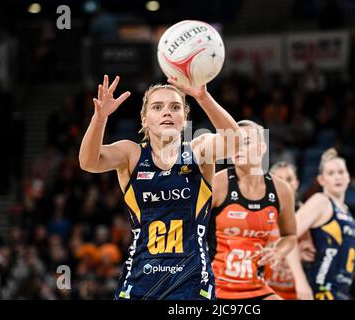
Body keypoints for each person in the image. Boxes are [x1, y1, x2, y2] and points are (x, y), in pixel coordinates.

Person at [79, 75, 240, 300]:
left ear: (184, 118)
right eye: (157, 107)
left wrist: (203, 97)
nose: (167, 112)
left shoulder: (198, 150)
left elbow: (236, 143)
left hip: (191, 282)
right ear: (144, 119)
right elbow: (88, 162)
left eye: (175, 107)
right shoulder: (131, 154)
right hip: (139, 280)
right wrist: (99, 118)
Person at [209, 120, 297, 300]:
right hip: (214, 286)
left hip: (255, 286)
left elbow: (290, 235)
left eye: (246, 142)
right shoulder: (217, 183)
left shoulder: (281, 190)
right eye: (234, 142)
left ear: (262, 148)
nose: (238, 148)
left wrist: (278, 252)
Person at [295, 148, 355, 300]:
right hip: (320, 290)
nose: (337, 177)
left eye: (341, 172)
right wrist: (300, 281)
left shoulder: (348, 212)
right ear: (321, 180)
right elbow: (287, 235)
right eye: (331, 173)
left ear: (348, 177)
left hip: (342, 292)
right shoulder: (321, 201)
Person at [263, 161, 313, 300]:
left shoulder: (308, 215)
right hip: (267, 292)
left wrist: (306, 256)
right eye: (279, 179)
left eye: (289, 179)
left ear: (297, 183)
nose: (284, 184)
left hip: (300, 293)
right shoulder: (258, 213)